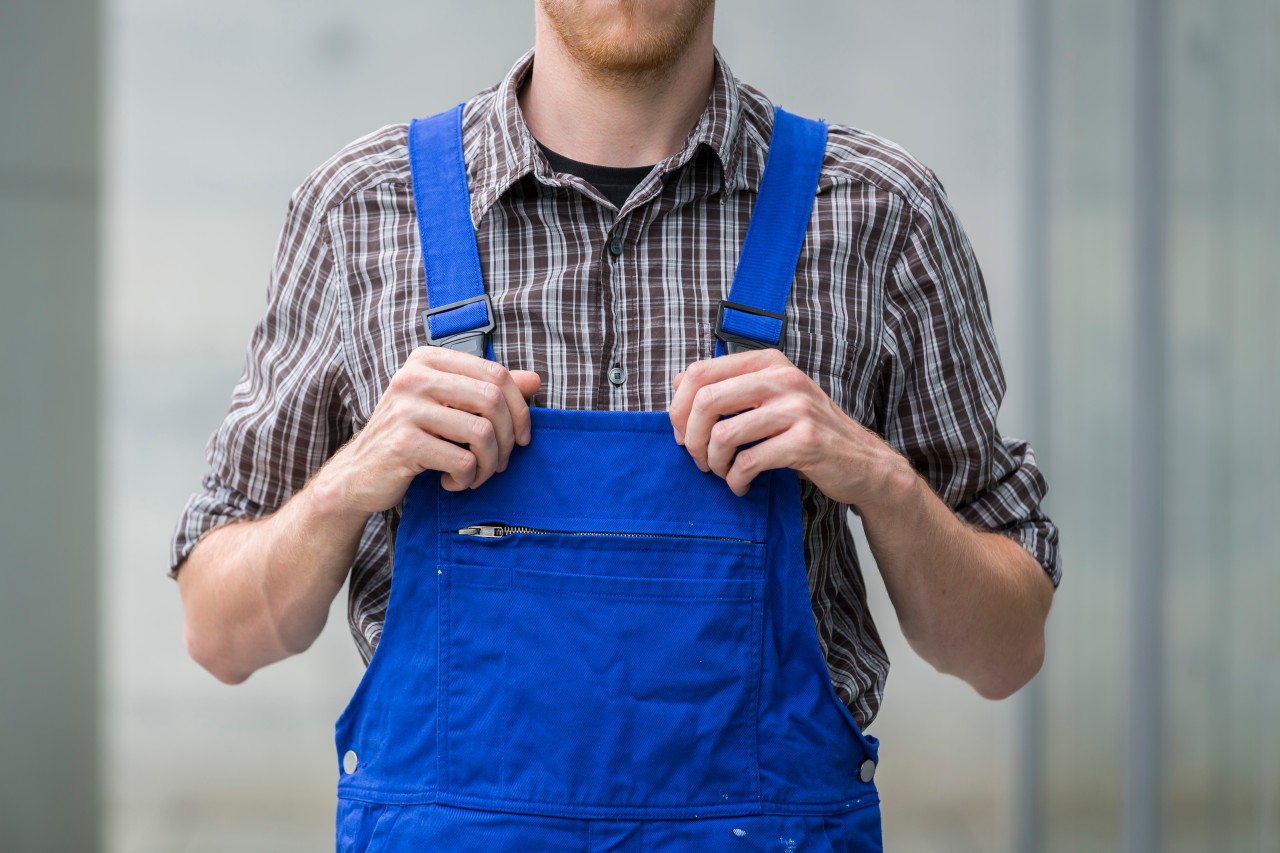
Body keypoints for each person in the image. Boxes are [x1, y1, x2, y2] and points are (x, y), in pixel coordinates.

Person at [171, 1, 1060, 849]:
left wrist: (877, 475)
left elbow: (1004, 650)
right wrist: (350, 479)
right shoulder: (356, 215)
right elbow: (222, 633)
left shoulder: (880, 216)